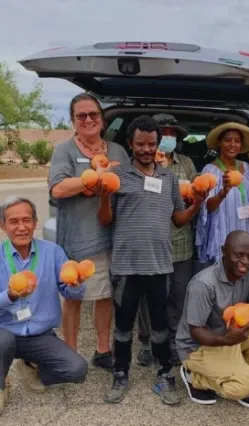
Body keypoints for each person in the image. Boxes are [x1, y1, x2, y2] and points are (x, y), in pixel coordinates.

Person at [97, 115, 208, 405]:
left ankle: (164, 375)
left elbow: (179, 220)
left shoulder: (169, 178)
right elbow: (106, 220)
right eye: (140, 144)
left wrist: (197, 202)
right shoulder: (118, 177)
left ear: (159, 145)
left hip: (159, 265)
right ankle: (120, 373)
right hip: (126, 267)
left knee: (160, 325)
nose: (146, 149)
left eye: (151, 144)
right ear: (130, 145)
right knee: (122, 326)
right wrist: (103, 197)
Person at [0, 196, 88, 417]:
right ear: (2, 226)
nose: (22, 227)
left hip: (38, 335)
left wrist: (76, 284)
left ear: (35, 222)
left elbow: (70, 293)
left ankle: (29, 366)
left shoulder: (53, 252)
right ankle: (0, 386)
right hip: (2, 331)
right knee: (1, 342)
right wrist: (10, 296)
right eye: (14, 222)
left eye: (27, 220)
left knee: (77, 370)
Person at [49, 93, 129, 371]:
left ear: (102, 119)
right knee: (74, 296)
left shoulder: (117, 152)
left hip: (109, 235)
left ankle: (102, 349)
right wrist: (88, 180)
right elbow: (57, 189)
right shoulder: (65, 150)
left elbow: (128, 186)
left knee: (105, 295)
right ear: (73, 120)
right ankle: (70, 352)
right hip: (76, 237)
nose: (88, 120)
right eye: (81, 115)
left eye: (93, 114)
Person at [176, 230, 249, 410]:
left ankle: (236, 373)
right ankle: (195, 377)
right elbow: (196, 332)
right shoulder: (203, 284)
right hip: (198, 348)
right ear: (223, 251)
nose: (245, 262)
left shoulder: (247, 274)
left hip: (229, 338)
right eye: (238, 255)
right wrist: (228, 339)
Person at [136, 113, 198, 367]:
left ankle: (173, 341)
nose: (167, 138)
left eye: (172, 133)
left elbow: (196, 192)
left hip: (181, 243)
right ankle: (147, 343)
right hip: (150, 244)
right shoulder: (143, 165)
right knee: (147, 297)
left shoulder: (186, 164)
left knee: (177, 295)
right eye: (163, 133)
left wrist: (195, 198)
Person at [196, 122, 249, 267]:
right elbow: (208, 207)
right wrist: (223, 192)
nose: (232, 144)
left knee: (246, 280)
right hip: (225, 235)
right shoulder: (210, 170)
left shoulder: (246, 167)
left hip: (248, 232)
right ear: (219, 142)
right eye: (227, 140)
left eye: (237, 141)